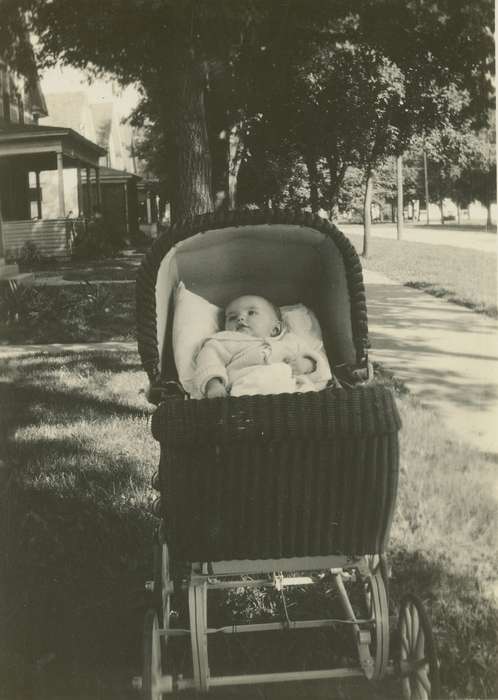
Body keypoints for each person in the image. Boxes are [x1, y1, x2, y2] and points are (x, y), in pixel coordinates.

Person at [194, 295, 333, 398]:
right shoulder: (223, 341)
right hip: (247, 389)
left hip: (293, 390)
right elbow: (209, 361)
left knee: (310, 394)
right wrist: (213, 385)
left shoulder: (291, 341)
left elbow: (321, 367)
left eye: (251, 313)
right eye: (232, 317)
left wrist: (308, 365)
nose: (240, 318)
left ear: (275, 328)